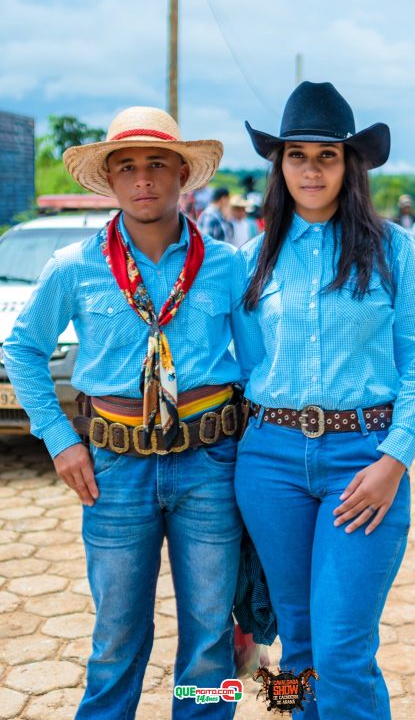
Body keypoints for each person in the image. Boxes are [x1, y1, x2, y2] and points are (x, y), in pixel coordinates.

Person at [3, 106, 244, 719]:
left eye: (158, 164)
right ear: (109, 181)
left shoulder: (226, 264)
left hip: (210, 464)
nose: (144, 180)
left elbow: (260, 363)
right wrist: (60, 440)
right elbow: (23, 349)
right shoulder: (74, 267)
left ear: (183, 175)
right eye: (128, 167)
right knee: (116, 635)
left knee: (211, 636)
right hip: (113, 468)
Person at [231, 81, 415, 719]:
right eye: (297, 155)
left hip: (364, 460)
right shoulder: (251, 261)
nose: (311, 169)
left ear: (350, 163)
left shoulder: (392, 250)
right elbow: (243, 367)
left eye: (327, 155)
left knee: (344, 651)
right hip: (269, 464)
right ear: (280, 164)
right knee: (297, 647)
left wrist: (394, 461)